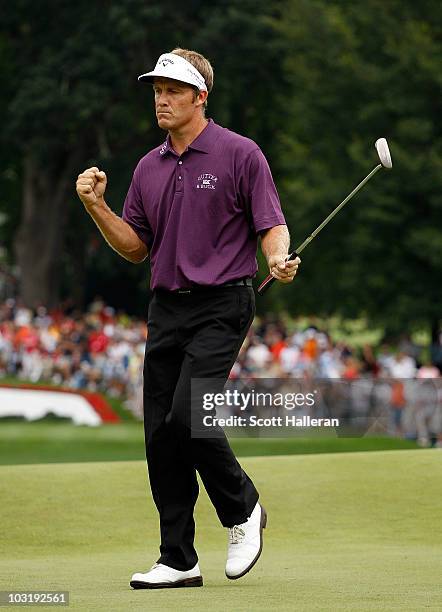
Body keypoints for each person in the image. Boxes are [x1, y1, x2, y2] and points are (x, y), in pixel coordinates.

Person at [76, 48, 300, 589]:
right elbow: (135, 248)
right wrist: (97, 207)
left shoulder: (240, 154)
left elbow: (271, 223)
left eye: (173, 90)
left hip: (223, 303)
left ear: (201, 96)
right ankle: (177, 558)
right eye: (157, 90)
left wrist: (276, 258)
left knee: (189, 416)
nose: (162, 99)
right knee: (160, 436)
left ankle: (243, 508)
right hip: (167, 307)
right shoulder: (149, 167)